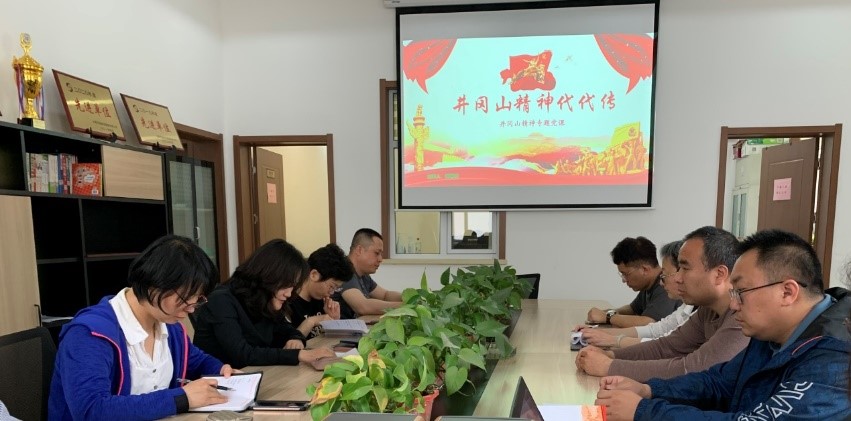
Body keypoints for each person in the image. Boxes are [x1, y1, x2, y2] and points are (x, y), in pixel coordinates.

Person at [595, 229, 851, 420]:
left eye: (741, 292)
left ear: (787, 292)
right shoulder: (773, 332)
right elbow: (718, 382)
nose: (734, 304)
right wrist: (648, 389)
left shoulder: (834, 360)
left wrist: (644, 411)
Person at [48, 235, 235, 420]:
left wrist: (221, 370)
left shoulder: (168, 325)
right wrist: (181, 399)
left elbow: (195, 361)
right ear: (155, 285)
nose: (192, 308)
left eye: (198, 298)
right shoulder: (89, 333)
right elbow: (92, 410)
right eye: (185, 298)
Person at [576, 226, 750, 382]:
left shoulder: (742, 316)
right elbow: (666, 347)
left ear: (719, 274)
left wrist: (609, 366)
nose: (678, 278)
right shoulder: (707, 309)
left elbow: (691, 368)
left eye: (685, 268)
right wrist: (610, 355)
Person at [191, 239, 335, 368]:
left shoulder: (265, 299)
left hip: (256, 376)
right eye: (286, 285)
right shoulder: (221, 300)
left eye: (293, 287)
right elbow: (243, 354)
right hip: (218, 382)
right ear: (269, 276)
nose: (289, 293)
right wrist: (298, 355)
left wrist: (295, 339)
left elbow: (287, 329)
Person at [576, 240, 697, 349]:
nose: (661, 281)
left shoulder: (666, 291)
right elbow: (654, 330)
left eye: (626, 274)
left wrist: (609, 322)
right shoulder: (685, 307)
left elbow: (656, 333)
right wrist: (597, 332)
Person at [586, 236, 681, 328]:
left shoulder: (665, 286)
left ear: (644, 269)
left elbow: (648, 323)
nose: (623, 280)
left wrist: (607, 317)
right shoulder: (648, 285)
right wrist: (609, 312)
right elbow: (632, 309)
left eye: (626, 274)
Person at [332, 228, 403, 319]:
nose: (380, 259)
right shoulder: (344, 271)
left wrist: (412, 297)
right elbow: (363, 307)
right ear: (359, 250)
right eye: (376, 253)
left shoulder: (363, 274)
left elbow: (385, 295)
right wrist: (406, 307)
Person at [289, 243, 354, 338]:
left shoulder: (320, 301)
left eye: (336, 288)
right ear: (314, 275)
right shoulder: (289, 302)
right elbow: (290, 343)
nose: (331, 292)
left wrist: (333, 321)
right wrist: (311, 321)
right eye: (332, 286)